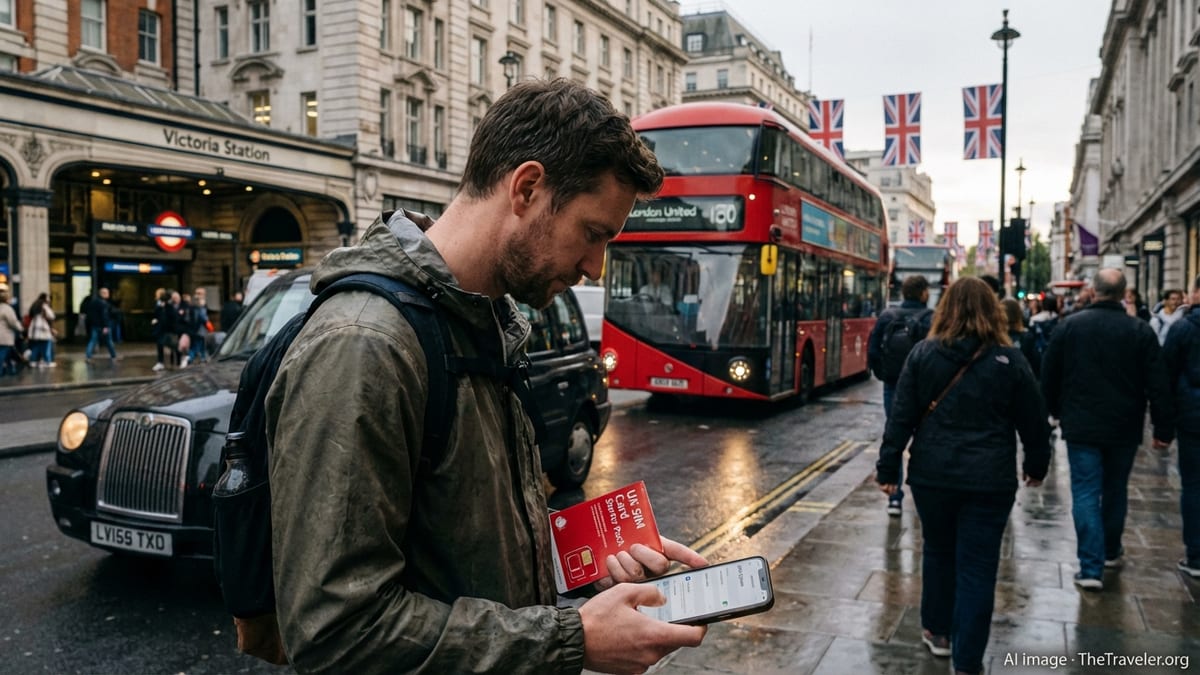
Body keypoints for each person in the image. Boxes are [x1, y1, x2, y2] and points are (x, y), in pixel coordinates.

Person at [265, 78, 708, 673]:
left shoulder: (486, 325)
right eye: (593, 233)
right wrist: (572, 638)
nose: (594, 267)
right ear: (527, 187)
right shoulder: (365, 344)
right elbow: (335, 629)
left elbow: (466, 547)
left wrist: (589, 559)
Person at [876, 277, 1049, 675]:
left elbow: (899, 419)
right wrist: (1036, 466)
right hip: (990, 480)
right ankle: (968, 660)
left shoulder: (923, 354)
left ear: (945, 308)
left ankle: (938, 632)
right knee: (977, 566)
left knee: (937, 550)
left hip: (932, 476)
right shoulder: (1009, 360)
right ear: (991, 311)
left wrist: (889, 469)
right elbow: (1034, 423)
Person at [1041, 268, 1173, 591]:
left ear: (1094, 291)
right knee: (1115, 489)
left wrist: (1054, 412)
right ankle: (1110, 550)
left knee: (1086, 491)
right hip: (1123, 426)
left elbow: (1049, 375)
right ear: (1124, 293)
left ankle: (1090, 567)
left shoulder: (1069, 327)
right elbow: (1158, 384)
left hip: (1082, 424)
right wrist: (1163, 427)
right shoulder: (1140, 332)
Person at [866, 274, 933, 517]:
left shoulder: (888, 316)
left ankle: (895, 498)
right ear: (923, 293)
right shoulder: (932, 318)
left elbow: (872, 350)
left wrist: (884, 375)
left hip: (893, 385)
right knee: (924, 438)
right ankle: (922, 490)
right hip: (925, 389)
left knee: (895, 435)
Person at [1163, 275, 1200, 579]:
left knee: (1194, 485)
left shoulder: (1183, 328)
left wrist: (1166, 422)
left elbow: (1167, 373)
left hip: (1193, 418)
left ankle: (1196, 555)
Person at [84, 287, 119, 362]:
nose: (108, 294)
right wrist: (105, 326)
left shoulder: (93, 302)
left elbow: (90, 314)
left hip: (95, 325)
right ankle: (113, 356)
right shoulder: (104, 303)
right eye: (107, 293)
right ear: (103, 294)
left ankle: (88, 356)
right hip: (103, 326)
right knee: (109, 341)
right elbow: (104, 315)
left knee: (92, 341)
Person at [26, 292, 57, 368]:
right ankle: (47, 361)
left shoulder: (35, 305)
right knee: (46, 346)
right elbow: (52, 316)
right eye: (48, 298)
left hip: (34, 329)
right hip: (42, 329)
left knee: (35, 347)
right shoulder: (44, 306)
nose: (49, 299)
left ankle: (33, 361)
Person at [0, 284, 21, 375]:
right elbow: (13, 322)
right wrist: (21, 329)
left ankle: (11, 371)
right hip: (5, 337)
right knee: (3, 355)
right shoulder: (7, 309)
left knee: (7, 355)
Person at [151, 288, 170, 371]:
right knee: (159, 345)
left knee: (162, 344)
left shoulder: (163, 304)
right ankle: (160, 362)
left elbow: (161, 314)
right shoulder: (157, 303)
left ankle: (161, 362)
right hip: (158, 327)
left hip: (163, 327)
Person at [190, 287, 210, 364]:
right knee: (196, 346)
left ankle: (202, 358)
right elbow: (202, 317)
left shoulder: (194, 302)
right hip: (199, 329)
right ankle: (190, 358)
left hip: (197, 329)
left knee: (200, 345)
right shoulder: (198, 303)